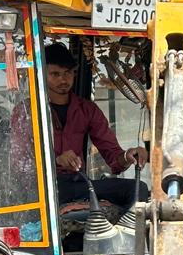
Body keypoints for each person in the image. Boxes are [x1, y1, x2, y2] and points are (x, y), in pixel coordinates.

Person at [44, 43, 148, 209]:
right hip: (43, 189)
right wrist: (55, 160)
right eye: (55, 74)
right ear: (42, 74)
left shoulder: (87, 109)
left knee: (139, 189)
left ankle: (124, 233)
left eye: (68, 73)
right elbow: (18, 164)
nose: (63, 80)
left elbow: (114, 158)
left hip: (78, 184)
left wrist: (128, 156)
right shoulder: (27, 111)